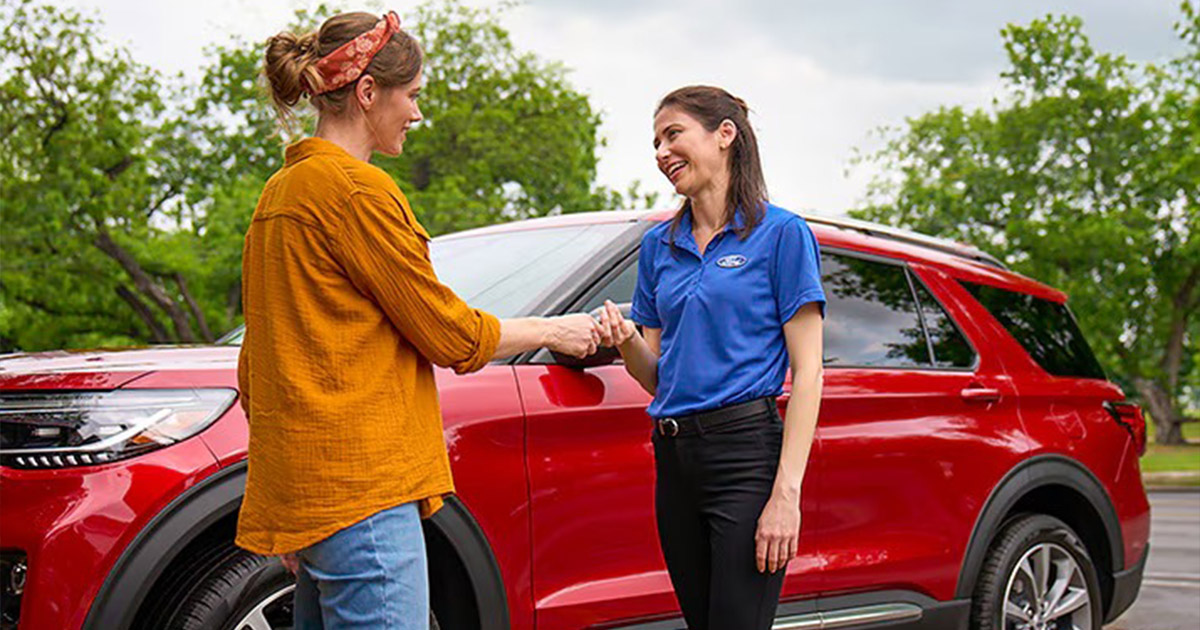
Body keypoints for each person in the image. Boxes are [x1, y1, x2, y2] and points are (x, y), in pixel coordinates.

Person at [240, 11, 600, 629]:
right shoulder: (354, 190)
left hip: (318, 502)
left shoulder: (279, 195)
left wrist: (298, 512)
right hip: (367, 495)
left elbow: (258, 373)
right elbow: (449, 333)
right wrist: (553, 329)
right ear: (367, 91)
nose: (416, 113)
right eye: (412, 96)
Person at [597, 85, 826, 629]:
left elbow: (810, 371)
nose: (660, 152)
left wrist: (785, 495)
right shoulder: (659, 246)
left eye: (673, 134)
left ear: (725, 135)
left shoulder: (782, 234)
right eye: (655, 142)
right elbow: (658, 377)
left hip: (745, 458)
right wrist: (626, 340)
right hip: (674, 461)